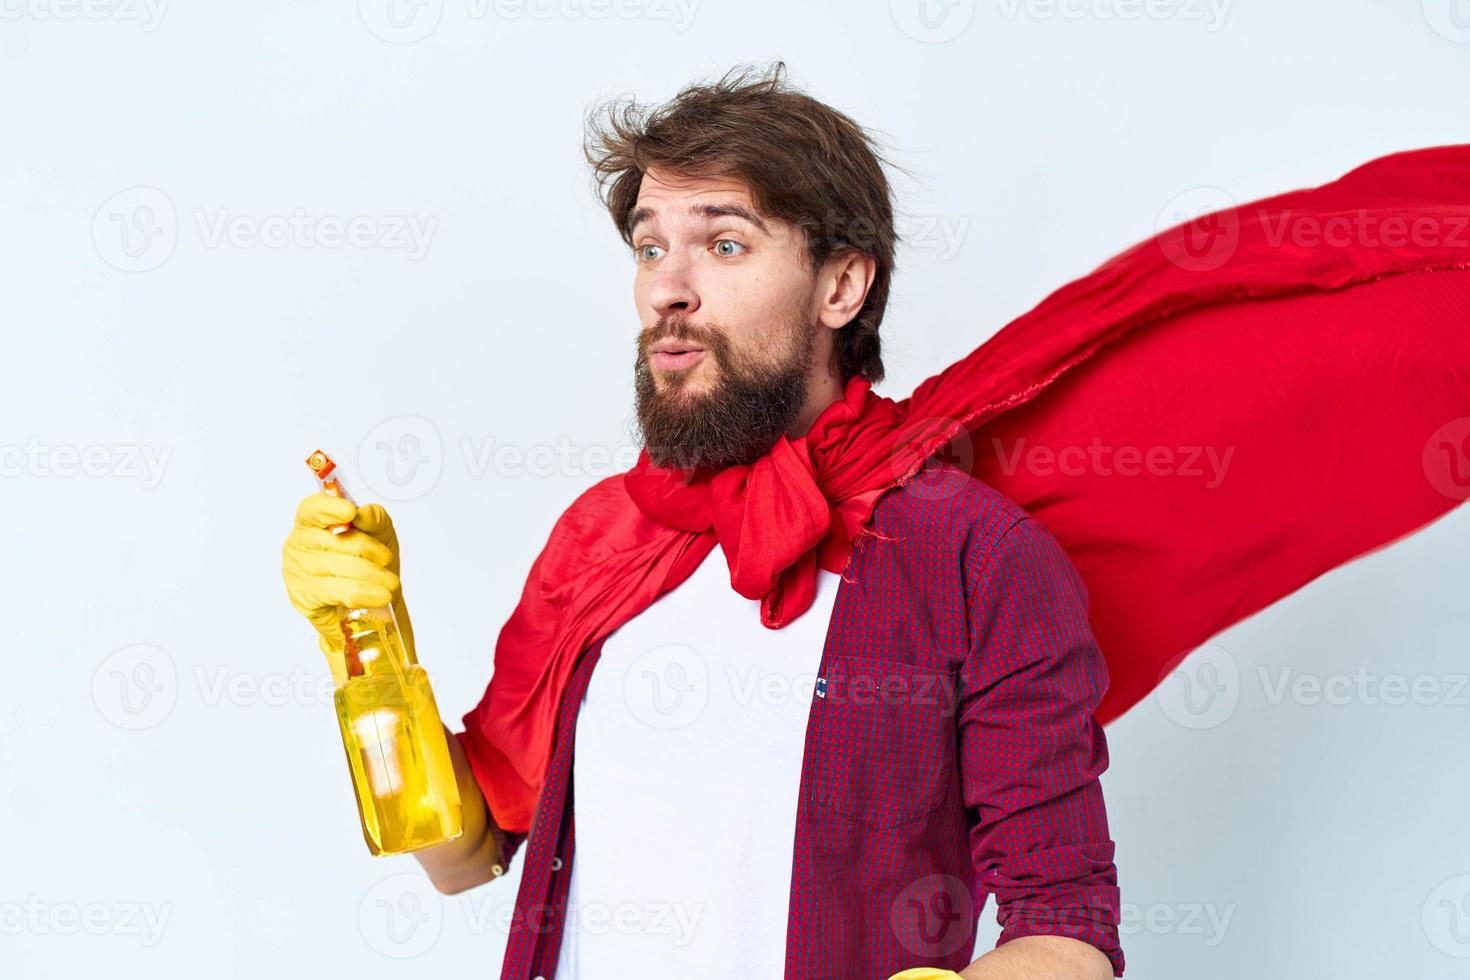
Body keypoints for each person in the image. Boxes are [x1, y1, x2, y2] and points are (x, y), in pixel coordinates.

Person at [283, 63, 1470, 979]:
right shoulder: (609, 537)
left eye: (725, 242)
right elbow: (465, 855)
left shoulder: (977, 555)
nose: (667, 285)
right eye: (651, 244)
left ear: (841, 286)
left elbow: (1069, 931)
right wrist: (367, 645)